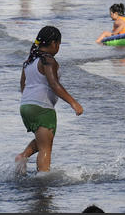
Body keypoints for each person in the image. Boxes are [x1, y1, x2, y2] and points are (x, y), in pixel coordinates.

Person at [14, 26, 83, 173]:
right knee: (46, 148)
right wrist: (73, 103)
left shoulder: (29, 61)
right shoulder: (48, 60)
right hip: (42, 107)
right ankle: (43, 178)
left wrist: (31, 103)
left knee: (42, 140)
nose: (58, 47)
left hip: (26, 106)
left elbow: (23, 85)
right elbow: (54, 84)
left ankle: (23, 156)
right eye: (59, 44)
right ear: (53, 43)